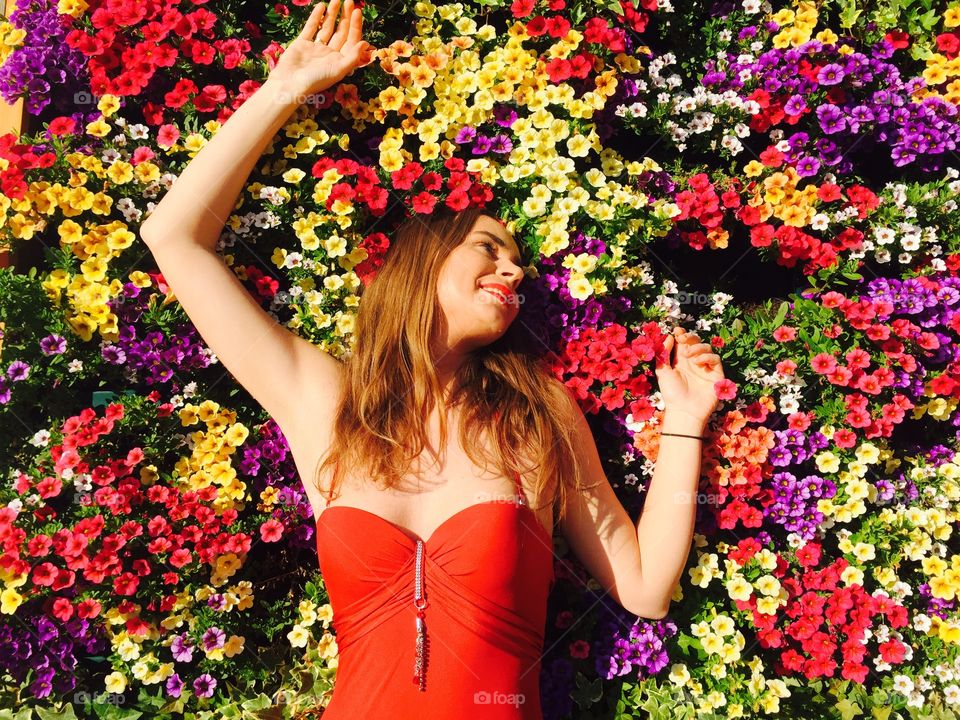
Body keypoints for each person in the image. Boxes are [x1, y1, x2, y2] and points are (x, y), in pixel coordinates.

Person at [140, 1, 726, 717]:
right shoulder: (327, 403)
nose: (512, 271)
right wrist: (287, 86)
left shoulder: (536, 415)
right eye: (489, 248)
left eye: (519, 264)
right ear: (422, 262)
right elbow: (174, 237)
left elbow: (643, 587)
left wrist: (686, 425)